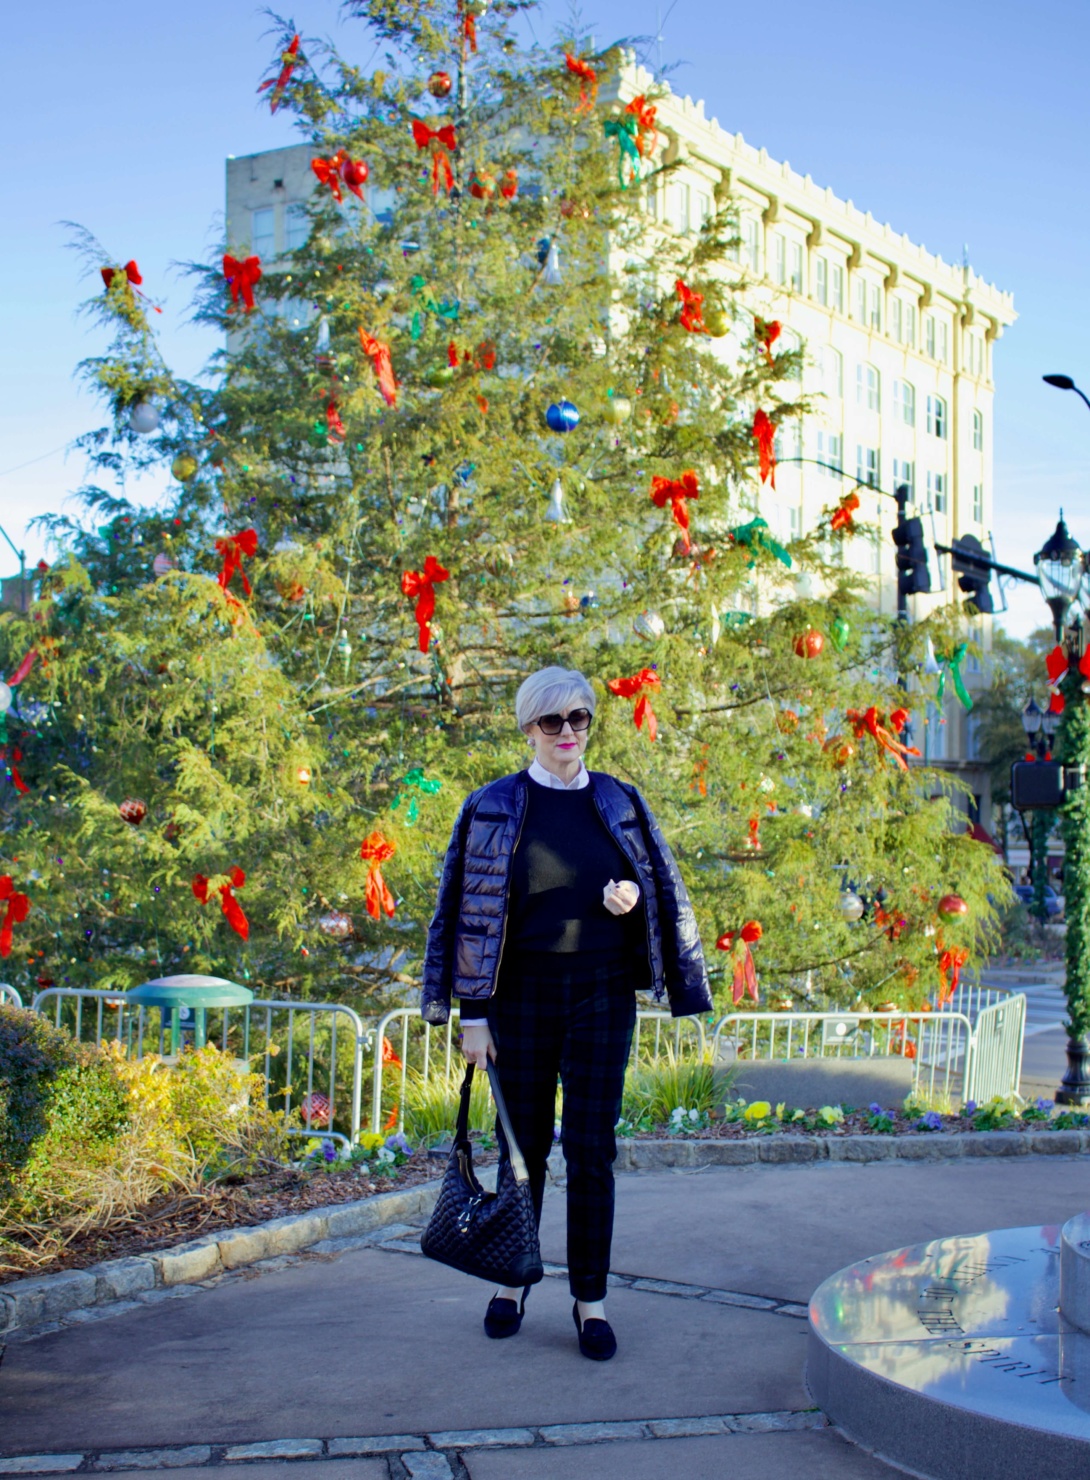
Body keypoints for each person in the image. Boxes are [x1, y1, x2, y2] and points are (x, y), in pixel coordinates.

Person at [422, 666, 712, 1360]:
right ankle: (513, 1279)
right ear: (528, 728)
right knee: (521, 1152)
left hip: (601, 995)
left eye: (580, 719)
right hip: (518, 999)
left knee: (592, 1152)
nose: (568, 734)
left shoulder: (618, 801)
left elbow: (659, 886)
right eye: (553, 722)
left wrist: (632, 904)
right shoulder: (492, 805)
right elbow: (469, 914)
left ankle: (590, 1299)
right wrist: (472, 1014)